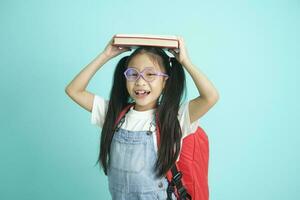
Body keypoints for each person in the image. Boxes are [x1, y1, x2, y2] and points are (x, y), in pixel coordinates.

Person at [65, 35, 219, 200]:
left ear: (165, 81)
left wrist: (185, 61)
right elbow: (74, 90)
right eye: (133, 74)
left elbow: (210, 96)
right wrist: (105, 55)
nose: (140, 81)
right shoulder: (113, 115)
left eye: (150, 74)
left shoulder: (175, 119)